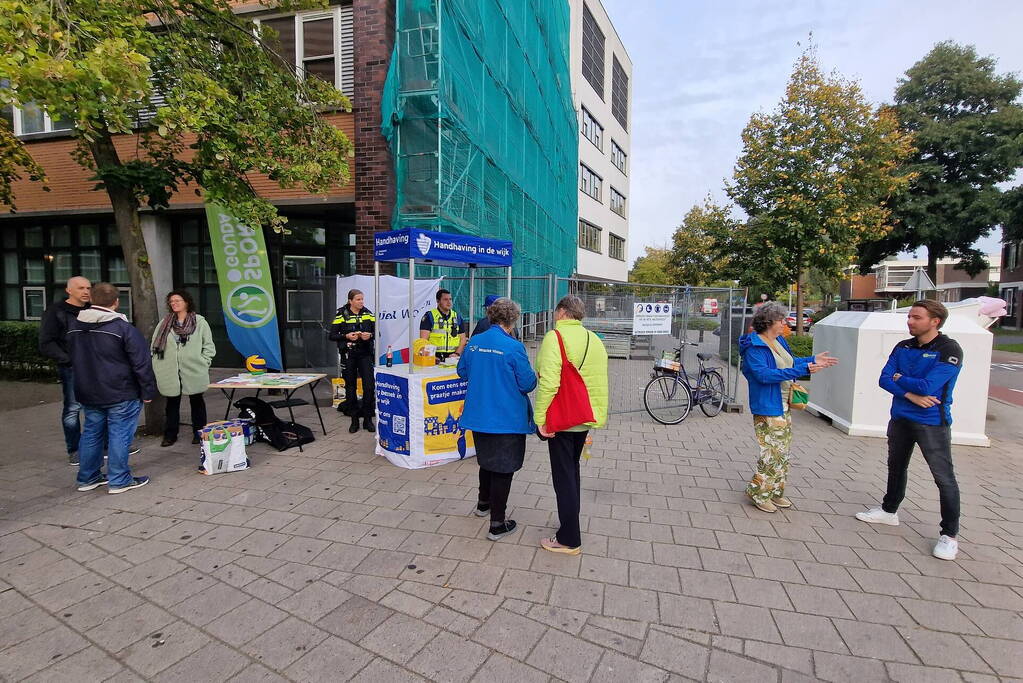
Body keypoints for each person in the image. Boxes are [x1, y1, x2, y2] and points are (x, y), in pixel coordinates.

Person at [856, 300, 964, 561]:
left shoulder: (949, 349)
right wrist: (910, 394)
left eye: (916, 317)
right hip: (901, 417)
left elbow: (928, 386)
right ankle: (889, 511)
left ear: (934, 321)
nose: (910, 321)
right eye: (909, 317)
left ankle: (949, 536)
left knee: (943, 478)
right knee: (896, 466)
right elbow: (883, 378)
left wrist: (900, 380)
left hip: (932, 423)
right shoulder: (903, 346)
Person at [739, 302, 837, 513]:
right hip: (767, 405)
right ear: (769, 322)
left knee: (783, 452)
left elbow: (789, 362)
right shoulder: (754, 347)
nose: (785, 323)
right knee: (771, 451)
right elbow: (764, 375)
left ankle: (774, 492)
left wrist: (811, 360)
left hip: (783, 403)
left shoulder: (777, 340)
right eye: (781, 320)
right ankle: (757, 492)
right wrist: (805, 369)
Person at [534, 295, 609, 555]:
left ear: (562, 311)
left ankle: (569, 538)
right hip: (584, 417)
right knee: (572, 472)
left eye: (556, 311)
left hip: (563, 419)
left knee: (563, 478)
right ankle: (570, 523)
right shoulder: (595, 339)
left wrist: (540, 418)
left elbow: (549, 382)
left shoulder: (555, 338)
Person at [456, 298, 536, 541]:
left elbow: (462, 371)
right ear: (512, 321)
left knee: (486, 461)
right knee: (503, 468)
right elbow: (527, 383)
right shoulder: (513, 347)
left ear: (491, 317)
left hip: (479, 414)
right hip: (506, 417)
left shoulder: (475, 342)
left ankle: (483, 504)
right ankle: (497, 524)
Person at [66, 282, 156, 494]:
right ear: (116, 302)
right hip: (121, 391)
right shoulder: (123, 329)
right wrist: (148, 391)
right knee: (120, 434)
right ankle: (119, 479)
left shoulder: (75, 327)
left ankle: (88, 477)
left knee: (91, 433)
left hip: (88, 391)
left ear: (92, 299)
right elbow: (141, 363)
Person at [151, 290, 216, 447]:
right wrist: (157, 363)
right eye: (171, 301)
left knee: (197, 401)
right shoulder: (165, 323)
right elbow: (154, 345)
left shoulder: (199, 322)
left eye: (177, 300)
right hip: (169, 369)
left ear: (186, 302)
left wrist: (204, 362)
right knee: (172, 402)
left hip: (194, 368)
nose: (174, 303)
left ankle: (199, 433)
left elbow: (208, 345)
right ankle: (170, 435)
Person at [38, 276, 92, 465]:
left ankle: (104, 445)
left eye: (88, 288)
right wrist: (68, 360)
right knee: (73, 407)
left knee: (100, 406)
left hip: (95, 367)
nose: (86, 291)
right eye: (81, 288)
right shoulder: (56, 312)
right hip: (72, 368)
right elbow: (45, 343)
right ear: (69, 290)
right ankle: (75, 449)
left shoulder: (92, 309)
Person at [330, 289, 376, 433]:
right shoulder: (341, 314)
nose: (361, 302)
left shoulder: (368, 313)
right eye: (358, 299)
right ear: (350, 301)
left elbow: (376, 332)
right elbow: (332, 335)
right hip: (349, 355)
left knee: (369, 387)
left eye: (362, 299)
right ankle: (354, 420)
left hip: (365, 354)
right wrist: (347, 336)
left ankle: (368, 419)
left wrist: (369, 335)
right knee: (351, 388)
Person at [420, 288, 467, 363]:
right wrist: (431, 356)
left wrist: (457, 353)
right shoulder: (430, 316)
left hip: (453, 358)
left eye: (450, 299)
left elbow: (463, 339)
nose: (449, 302)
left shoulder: (457, 317)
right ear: (438, 301)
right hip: (435, 358)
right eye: (445, 299)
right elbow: (423, 340)